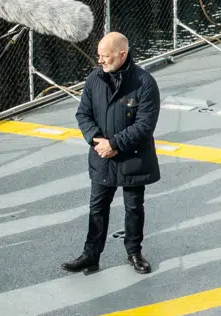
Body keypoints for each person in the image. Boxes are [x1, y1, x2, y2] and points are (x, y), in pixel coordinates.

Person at [64, 31, 159, 275]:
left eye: (105, 56)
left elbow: (144, 126)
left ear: (122, 55)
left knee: (134, 207)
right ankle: (91, 255)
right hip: (102, 156)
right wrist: (98, 142)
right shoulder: (94, 80)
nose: (100, 61)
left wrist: (114, 144)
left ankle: (134, 252)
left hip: (131, 157)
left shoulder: (145, 83)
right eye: (99, 56)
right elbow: (83, 114)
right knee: (97, 207)